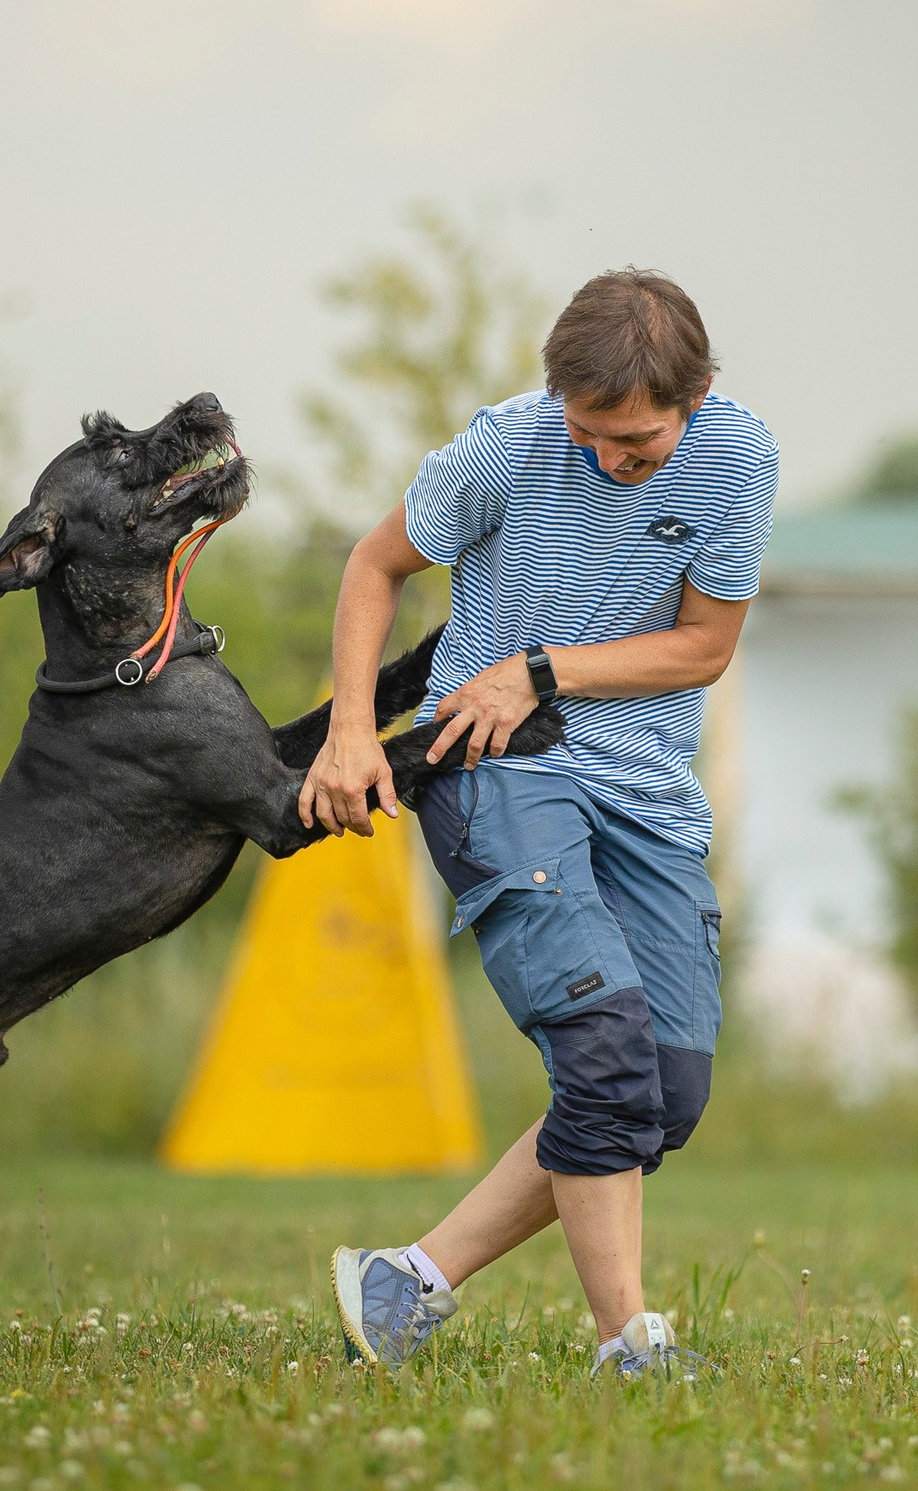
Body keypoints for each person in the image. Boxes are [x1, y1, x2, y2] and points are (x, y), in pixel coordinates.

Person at [303, 269, 776, 1379]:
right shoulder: (505, 447)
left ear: (698, 395)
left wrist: (542, 668)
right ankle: (629, 1346)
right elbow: (374, 564)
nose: (610, 458)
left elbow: (705, 647)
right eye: (590, 433)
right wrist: (350, 731)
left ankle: (406, 1281)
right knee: (604, 1060)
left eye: (639, 441)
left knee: (663, 1093)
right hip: (494, 764)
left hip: (646, 790)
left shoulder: (739, 458)